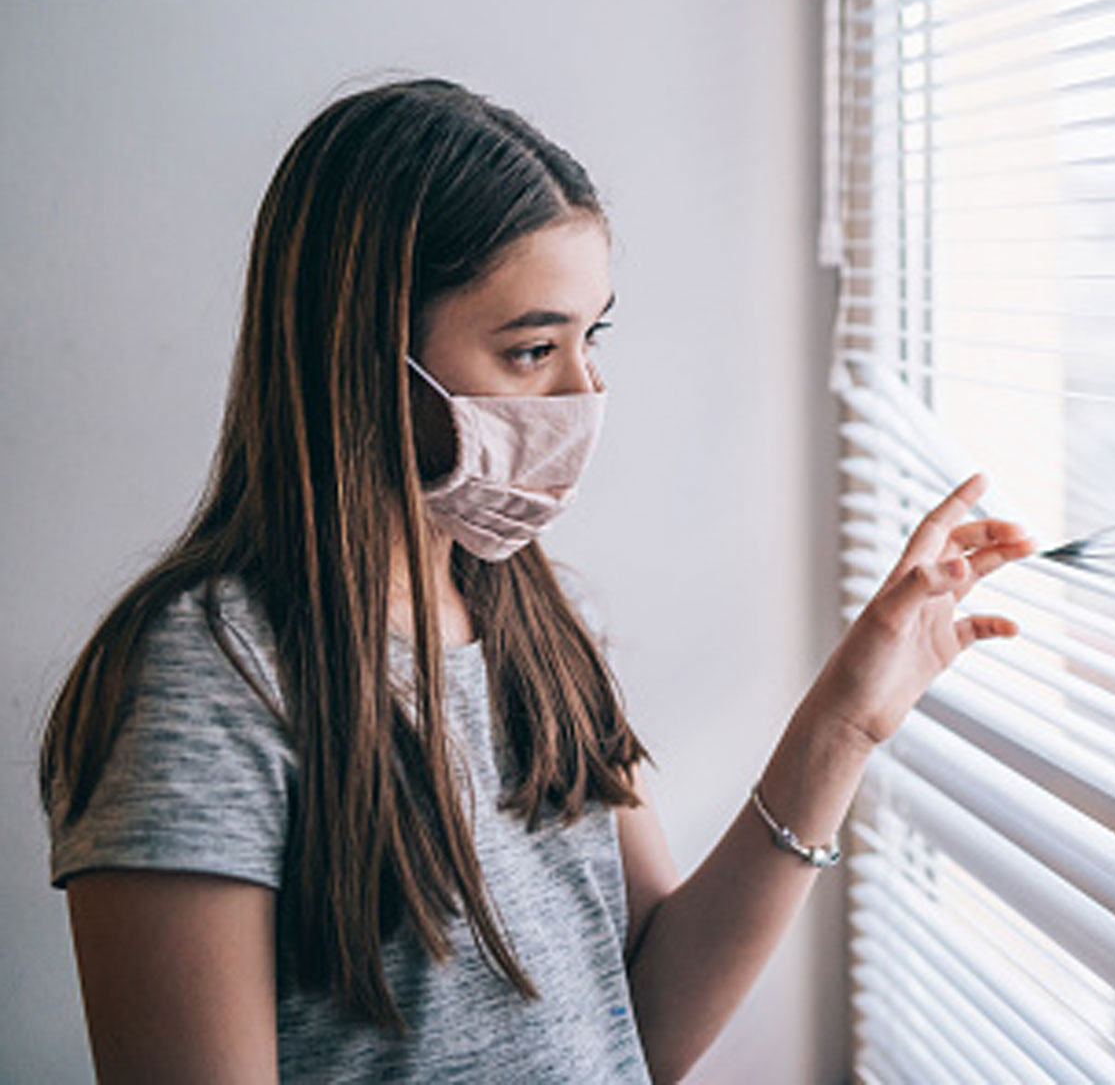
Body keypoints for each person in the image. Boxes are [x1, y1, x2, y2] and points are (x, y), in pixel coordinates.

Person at [41, 79, 1033, 1083]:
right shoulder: (204, 681)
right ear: (362, 358)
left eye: (590, 337)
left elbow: (639, 1030)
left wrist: (843, 726)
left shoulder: (536, 620)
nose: (584, 391)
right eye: (531, 349)